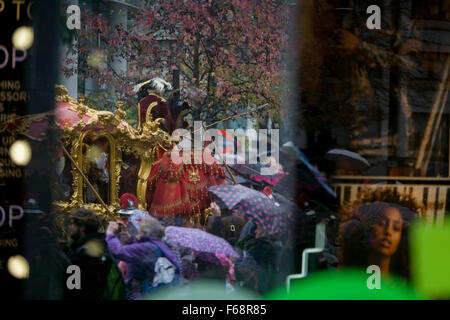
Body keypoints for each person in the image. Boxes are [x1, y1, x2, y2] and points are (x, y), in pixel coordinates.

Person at [105, 216, 182, 300]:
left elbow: (119, 251)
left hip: (142, 293)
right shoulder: (160, 245)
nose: (138, 234)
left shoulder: (147, 248)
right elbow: (137, 249)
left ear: (145, 233)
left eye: (140, 231)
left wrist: (110, 234)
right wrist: (128, 236)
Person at [339, 202, 416, 280]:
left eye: (396, 228)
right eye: (381, 223)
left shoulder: (405, 286)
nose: (388, 231)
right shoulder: (350, 279)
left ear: (400, 237)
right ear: (369, 229)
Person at [64, 208, 113, 300]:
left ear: (82, 227)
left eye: (72, 224)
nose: (70, 227)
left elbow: (73, 288)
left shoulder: (82, 254)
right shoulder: (103, 246)